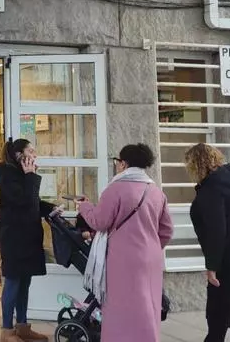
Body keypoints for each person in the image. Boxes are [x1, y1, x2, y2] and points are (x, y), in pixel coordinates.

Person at [73, 143, 173, 342]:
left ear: (124, 164)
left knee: (121, 309)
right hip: (151, 259)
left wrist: (84, 206)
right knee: (148, 306)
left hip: (122, 259)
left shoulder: (115, 189)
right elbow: (167, 230)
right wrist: (151, 247)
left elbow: (99, 221)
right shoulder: (156, 191)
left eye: (117, 161)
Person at [185, 143, 230, 342]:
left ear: (196, 164)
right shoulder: (228, 179)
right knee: (217, 302)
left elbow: (217, 230)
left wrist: (212, 266)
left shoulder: (212, 187)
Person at [0, 138, 53, 342]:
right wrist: (30, 176)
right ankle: (7, 330)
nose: (35, 155)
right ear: (20, 155)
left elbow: (33, 202)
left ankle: (23, 327)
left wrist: (51, 209)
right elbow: (24, 201)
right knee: (13, 282)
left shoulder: (22, 175)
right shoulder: (8, 176)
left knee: (25, 283)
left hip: (28, 237)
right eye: (31, 151)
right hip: (14, 238)